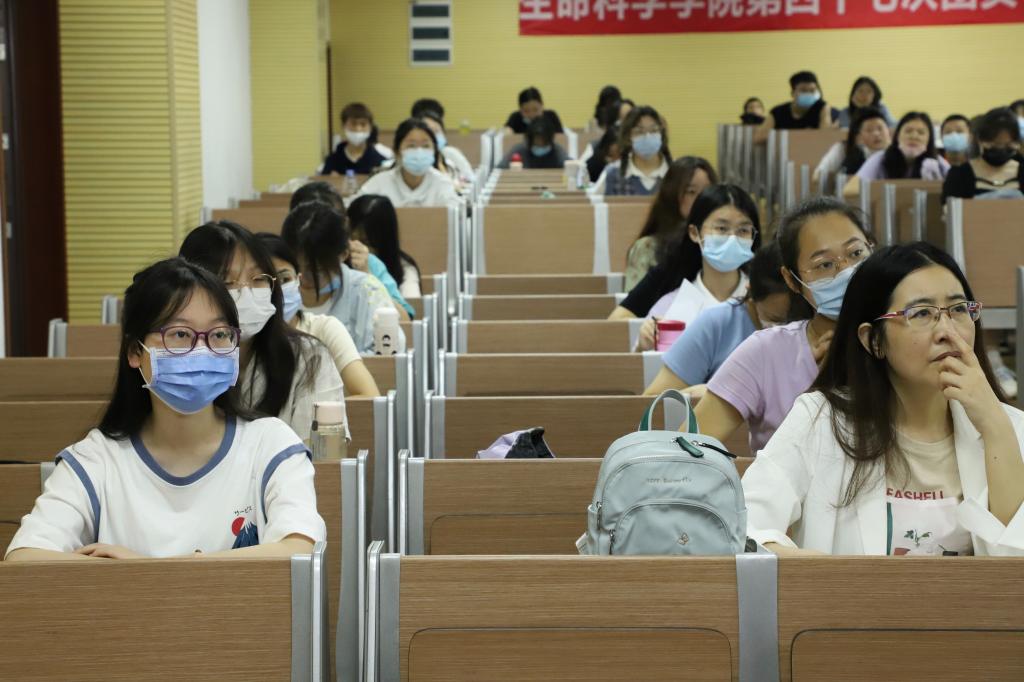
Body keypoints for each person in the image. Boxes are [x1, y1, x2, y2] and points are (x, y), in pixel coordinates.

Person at [4, 258, 326, 561]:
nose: (202, 350)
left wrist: (144, 569)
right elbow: (25, 558)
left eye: (219, 334)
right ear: (135, 351)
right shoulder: (97, 460)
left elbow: (299, 551)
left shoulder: (270, 445)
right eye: (180, 335)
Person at [742, 242, 1024, 556]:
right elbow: (743, 529)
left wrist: (997, 429)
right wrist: (826, 573)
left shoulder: (1008, 427)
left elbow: (1014, 568)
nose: (947, 331)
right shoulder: (821, 420)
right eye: (922, 313)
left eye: (958, 309)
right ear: (873, 340)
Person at [692, 197, 875, 453]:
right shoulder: (766, 352)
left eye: (856, 253)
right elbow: (685, 450)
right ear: (792, 280)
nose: (847, 271)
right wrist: (818, 387)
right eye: (824, 264)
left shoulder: (906, 337)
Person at [179, 222, 345, 443]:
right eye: (227, 282)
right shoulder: (173, 362)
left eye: (258, 279)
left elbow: (326, 453)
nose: (246, 291)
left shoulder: (309, 356)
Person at [644, 241, 797, 399]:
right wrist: (711, 396)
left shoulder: (809, 329)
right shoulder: (715, 325)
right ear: (749, 290)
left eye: (793, 320)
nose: (785, 329)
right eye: (775, 319)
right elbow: (652, 401)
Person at [632, 185, 762, 351]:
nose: (732, 238)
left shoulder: (763, 300)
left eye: (743, 230)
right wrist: (643, 346)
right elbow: (641, 362)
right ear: (694, 233)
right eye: (721, 228)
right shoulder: (671, 307)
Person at [256, 233, 381, 399]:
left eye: (285, 279)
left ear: (298, 280)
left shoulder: (325, 329)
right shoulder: (242, 340)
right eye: (264, 281)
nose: (278, 290)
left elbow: (368, 396)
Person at [281, 200, 401, 354]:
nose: (302, 277)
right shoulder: (275, 290)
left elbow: (386, 357)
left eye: (315, 270)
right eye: (295, 267)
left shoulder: (367, 291)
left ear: (344, 254)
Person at [290, 182, 413, 320]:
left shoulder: (367, 262)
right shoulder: (281, 265)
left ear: (345, 223)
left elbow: (405, 320)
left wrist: (368, 279)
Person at [624, 156, 717, 290]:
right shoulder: (648, 248)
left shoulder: (723, 245)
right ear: (672, 194)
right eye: (691, 192)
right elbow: (634, 302)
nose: (701, 199)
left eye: (707, 191)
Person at [356, 118, 459, 208]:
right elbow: (355, 207)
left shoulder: (442, 184)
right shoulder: (380, 183)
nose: (419, 152)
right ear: (397, 152)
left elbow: (455, 214)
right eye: (411, 146)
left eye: (426, 146)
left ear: (434, 151)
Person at [844, 112, 950, 197]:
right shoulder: (880, 158)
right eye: (908, 131)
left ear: (929, 140)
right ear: (897, 136)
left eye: (921, 133)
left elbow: (956, 189)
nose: (914, 136)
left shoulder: (938, 162)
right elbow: (849, 190)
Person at [347, 194, 422, 299]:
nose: (356, 247)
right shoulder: (339, 263)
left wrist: (369, 277)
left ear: (384, 241)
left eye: (366, 242)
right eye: (351, 238)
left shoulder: (405, 268)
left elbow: (411, 306)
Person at [943, 107, 1023, 202]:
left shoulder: (1022, 172)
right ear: (981, 140)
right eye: (996, 143)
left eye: (1008, 145)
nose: (1001, 149)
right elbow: (950, 208)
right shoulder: (960, 175)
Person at [595, 105, 672, 196]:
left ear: (662, 135)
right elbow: (593, 203)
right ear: (628, 138)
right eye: (639, 131)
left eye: (654, 130)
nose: (647, 136)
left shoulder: (676, 174)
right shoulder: (612, 174)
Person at [813, 107, 891, 185]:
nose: (876, 134)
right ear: (858, 136)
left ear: (888, 131)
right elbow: (817, 177)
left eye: (880, 129)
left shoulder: (895, 152)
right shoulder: (843, 149)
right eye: (869, 130)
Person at [754, 71, 836, 144]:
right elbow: (758, 138)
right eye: (803, 90)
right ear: (792, 93)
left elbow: (825, 136)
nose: (809, 94)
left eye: (812, 91)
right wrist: (797, 136)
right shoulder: (778, 112)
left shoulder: (822, 107)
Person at [321, 102, 388, 176]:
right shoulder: (332, 161)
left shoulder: (380, 162)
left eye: (363, 124)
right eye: (353, 124)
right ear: (343, 126)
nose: (358, 129)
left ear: (370, 127)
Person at [418, 110, 474, 188]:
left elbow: (470, 178)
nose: (433, 136)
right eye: (430, 132)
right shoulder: (419, 162)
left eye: (437, 131)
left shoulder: (448, 154)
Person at [498, 116, 568, 170]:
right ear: (530, 139)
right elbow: (499, 169)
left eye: (544, 141)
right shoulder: (519, 150)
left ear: (550, 139)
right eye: (537, 140)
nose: (540, 144)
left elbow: (570, 166)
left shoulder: (557, 151)